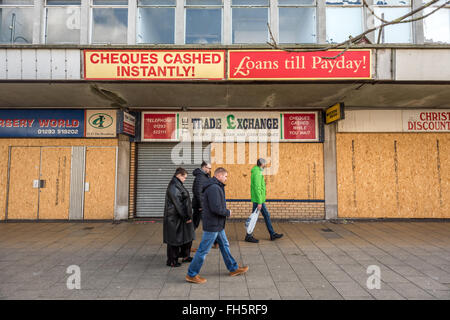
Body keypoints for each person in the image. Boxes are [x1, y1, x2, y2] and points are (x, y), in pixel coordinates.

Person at [186, 167, 249, 284]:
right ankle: (191, 274)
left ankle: (233, 268)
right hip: (213, 224)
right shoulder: (214, 188)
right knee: (203, 251)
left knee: (224, 245)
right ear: (219, 176)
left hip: (217, 224)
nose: (226, 179)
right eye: (225, 176)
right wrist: (227, 212)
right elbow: (216, 208)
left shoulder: (215, 186)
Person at [245, 158, 283, 243]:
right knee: (254, 218)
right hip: (258, 200)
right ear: (262, 164)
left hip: (259, 199)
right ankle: (249, 235)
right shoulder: (257, 173)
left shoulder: (257, 171)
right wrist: (259, 202)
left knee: (264, 215)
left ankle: (271, 234)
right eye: (265, 164)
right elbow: (257, 188)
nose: (265, 166)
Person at [163, 167, 195, 267]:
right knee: (174, 240)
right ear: (179, 175)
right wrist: (186, 217)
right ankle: (172, 261)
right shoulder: (173, 186)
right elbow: (178, 204)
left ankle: (185, 256)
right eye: (184, 177)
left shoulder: (177, 184)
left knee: (186, 237)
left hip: (179, 217)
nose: (185, 179)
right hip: (175, 218)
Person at [192, 161, 219, 251]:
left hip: (204, 205)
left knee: (210, 223)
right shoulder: (200, 177)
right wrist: (201, 205)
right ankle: (186, 245)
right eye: (208, 168)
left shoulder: (205, 176)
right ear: (203, 167)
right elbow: (198, 192)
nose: (210, 170)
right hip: (200, 206)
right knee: (194, 224)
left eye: (210, 168)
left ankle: (216, 242)